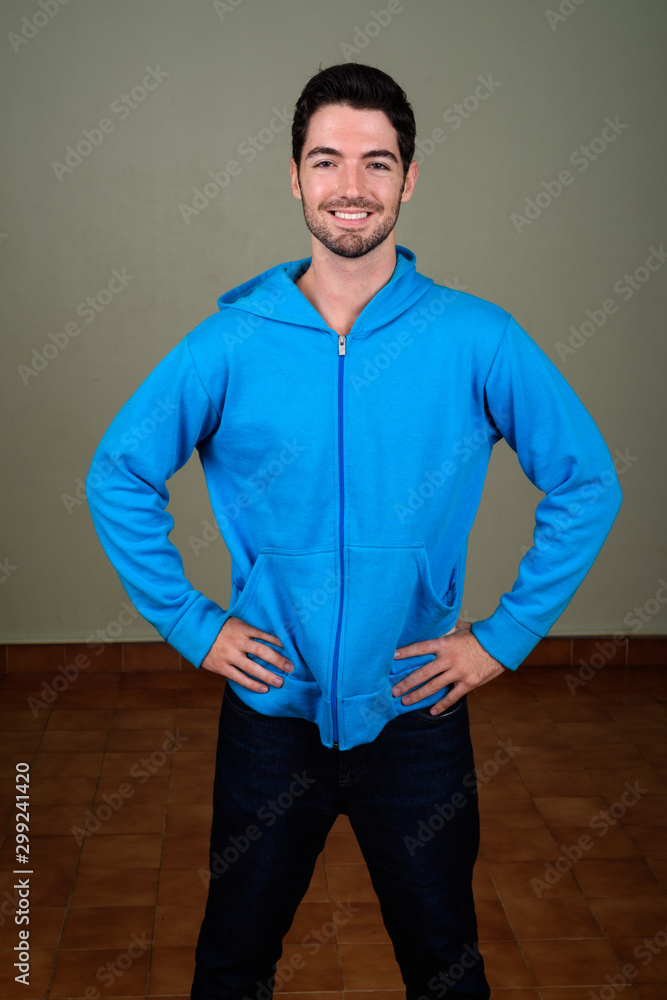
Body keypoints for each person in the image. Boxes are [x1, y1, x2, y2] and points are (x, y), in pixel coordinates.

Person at [86, 62, 622, 1000]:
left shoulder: (476, 337)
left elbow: (586, 481)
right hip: (269, 713)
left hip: (415, 709)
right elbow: (117, 474)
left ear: (408, 180)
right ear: (293, 176)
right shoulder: (228, 342)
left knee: (448, 972)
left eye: (377, 164)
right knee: (231, 967)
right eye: (326, 161)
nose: (350, 187)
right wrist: (193, 625)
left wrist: (502, 640)